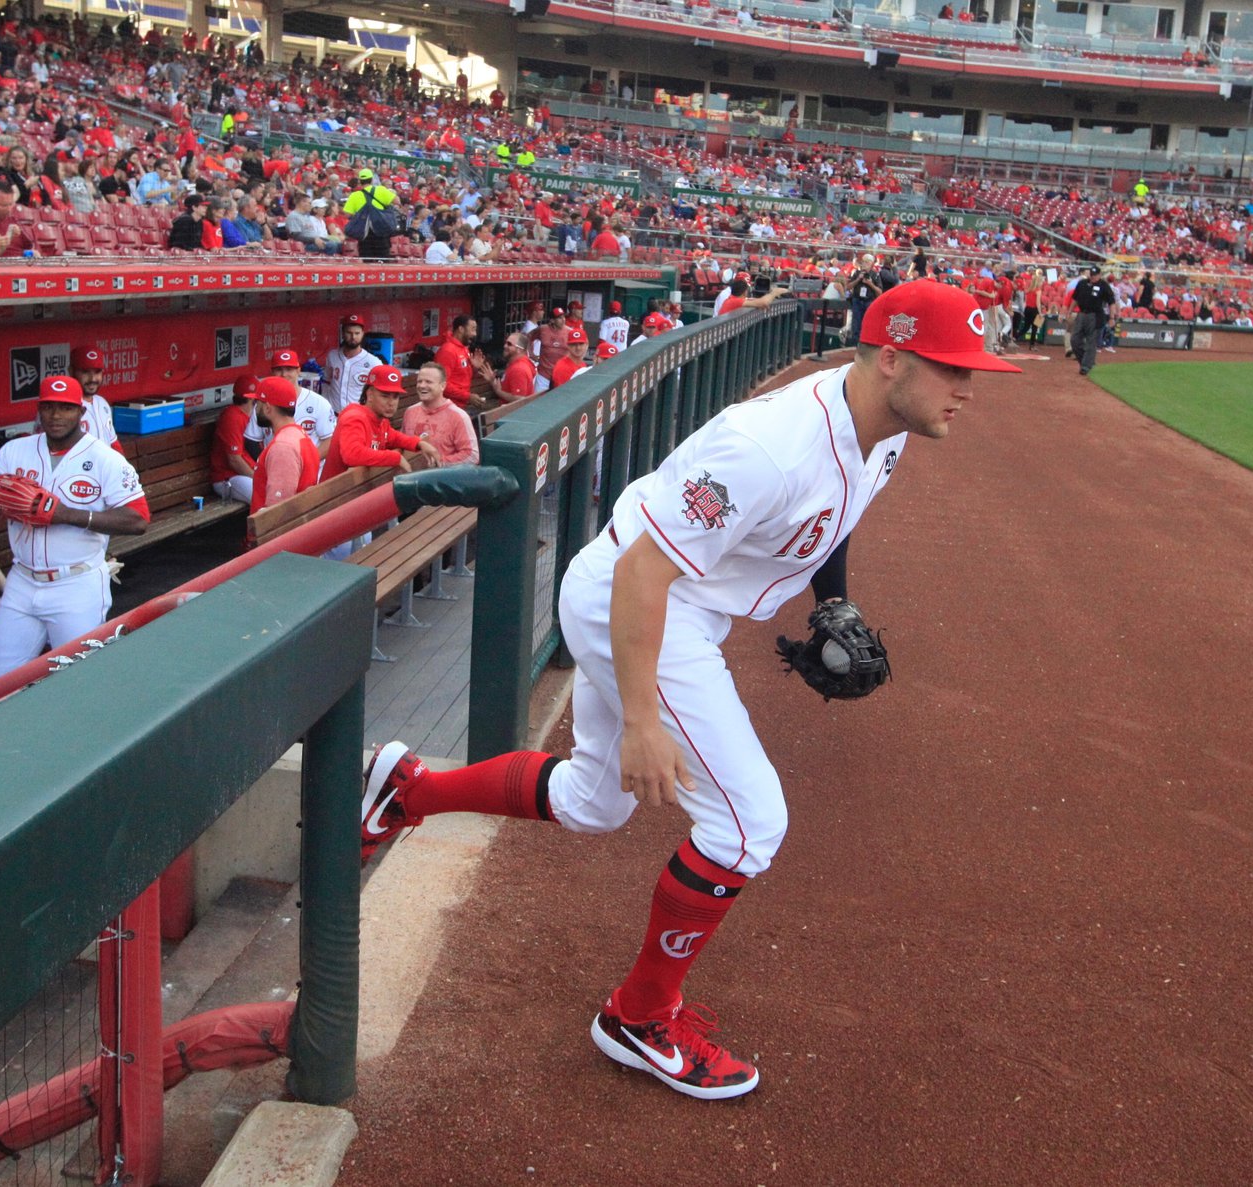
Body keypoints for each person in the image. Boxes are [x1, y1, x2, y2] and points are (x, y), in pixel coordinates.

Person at [356, 281, 1021, 1100]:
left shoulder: (885, 426)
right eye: (952, 367)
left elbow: (832, 523)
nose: (968, 387)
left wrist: (831, 602)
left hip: (675, 605)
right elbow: (645, 571)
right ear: (890, 358)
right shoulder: (769, 445)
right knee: (750, 824)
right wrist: (642, 718)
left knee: (594, 804)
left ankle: (407, 786)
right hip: (638, 602)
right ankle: (639, 1015)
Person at [0, 376, 150, 683]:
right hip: (21, 581)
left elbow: (138, 520)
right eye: (49, 407)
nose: (57, 415)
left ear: (81, 412)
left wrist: (67, 514)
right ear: (39, 410)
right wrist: (4, 496)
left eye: (66, 408)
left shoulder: (105, 459)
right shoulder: (13, 451)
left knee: (78, 681)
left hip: (77, 583)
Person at [325, 365, 439, 477]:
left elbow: (393, 437)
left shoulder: (381, 420)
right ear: (369, 395)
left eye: (395, 397)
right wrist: (394, 457)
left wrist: (418, 443)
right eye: (385, 396)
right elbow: (352, 454)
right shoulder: (354, 418)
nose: (391, 403)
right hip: (332, 493)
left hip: (354, 490)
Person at [250, 377, 320, 513]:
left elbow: (276, 512)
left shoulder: (283, 447)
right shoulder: (298, 434)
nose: (255, 409)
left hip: (277, 532)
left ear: (267, 408)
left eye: (257, 403)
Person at [248, 347, 335, 456]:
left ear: (298, 371)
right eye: (279, 369)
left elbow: (330, 440)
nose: (284, 374)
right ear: (272, 372)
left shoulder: (319, 403)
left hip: (312, 471)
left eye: (289, 369)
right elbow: (251, 440)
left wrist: (307, 462)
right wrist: (265, 464)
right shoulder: (263, 403)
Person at [403, 363, 479, 465]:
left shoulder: (458, 416)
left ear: (442, 386)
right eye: (419, 381)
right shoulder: (410, 412)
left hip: (442, 478)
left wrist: (439, 462)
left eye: (428, 382)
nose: (422, 386)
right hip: (410, 478)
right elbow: (402, 445)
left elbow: (472, 456)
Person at [211, 377, 260, 503]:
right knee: (262, 496)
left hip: (246, 474)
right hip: (227, 479)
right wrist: (259, 479)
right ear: (251, 398)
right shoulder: (232, 416)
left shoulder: (250, 415)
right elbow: (234, 461)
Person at [321, 313, 382, 413]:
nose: (353, 337)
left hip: (358, 416)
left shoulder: (374, 362)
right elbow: (326, 383)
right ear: (343, 333)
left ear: (363, 333)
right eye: (349, 333)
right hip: (334, 416)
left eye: (357, 333)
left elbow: (379, 392)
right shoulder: (332, 356)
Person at [1069, 266, 1118, 376]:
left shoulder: (1103, 285)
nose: (1093, 277)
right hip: (1081, 314)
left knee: (1091, 342)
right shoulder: (1082, 283)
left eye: (1095, 275)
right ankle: (1086, 362)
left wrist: (1111, 317)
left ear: (1100, 275)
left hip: (1095, 315)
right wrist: (1070, 311)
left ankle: (1086, 366)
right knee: (1074, 340)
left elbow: (1111, 302)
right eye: (1092, 275)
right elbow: (1075, 299)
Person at [342, 166, 398, 259]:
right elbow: (397, 201)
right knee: (382, 261)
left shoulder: (354, 195)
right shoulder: (380, 190)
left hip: (364, 233)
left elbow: (347, 214)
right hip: (381, 231)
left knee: (367, 262)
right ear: (372, 180)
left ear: (360, 181)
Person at [68, 346, 120, 446]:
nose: (92, 378)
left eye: (97, 372)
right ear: (71, 371)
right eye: (85, 372)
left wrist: (123, 462)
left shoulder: (102, 403)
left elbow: (113, 442)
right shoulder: (63, 408)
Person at [430, 316, 475, 409]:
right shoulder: (447, 351)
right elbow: (442, 384)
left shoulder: (464, 349)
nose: (474, 334)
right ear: (461, 329)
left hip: (459, 406)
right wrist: (468, 396)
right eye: (472, 329)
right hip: (446, 408)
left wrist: (475, 367)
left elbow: (461, 378)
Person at [502, 330, 542, 400]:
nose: (505, 346)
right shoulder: (517, 363)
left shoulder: (519, 369)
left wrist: (498, 391)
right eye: (505, 342)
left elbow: (519, 399)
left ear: (519, 350)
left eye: (509, 344)